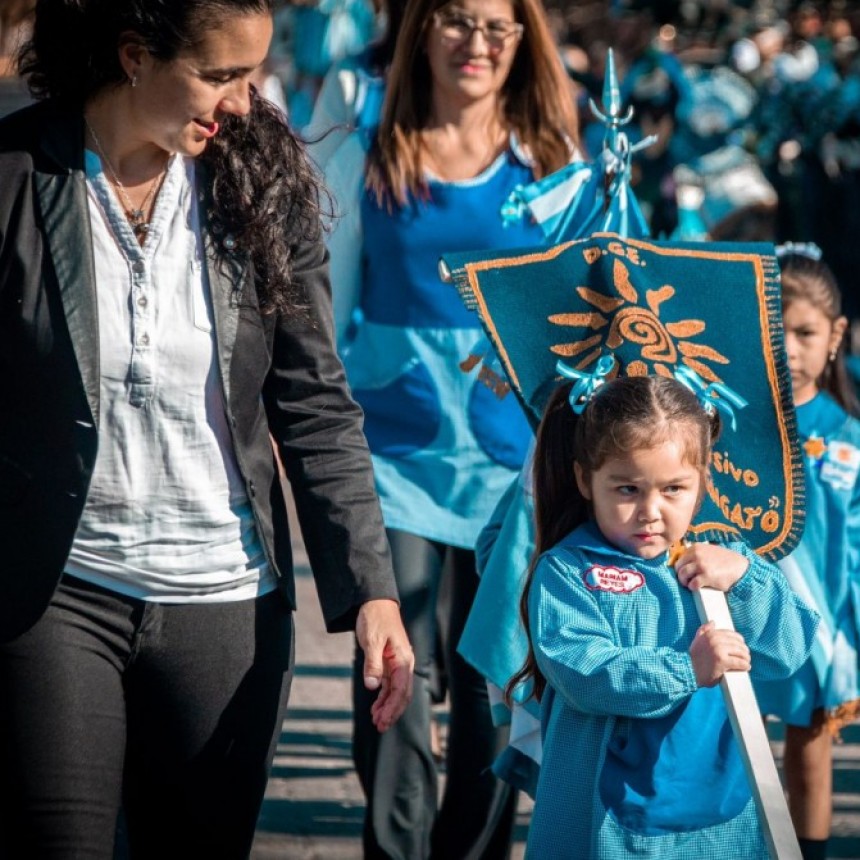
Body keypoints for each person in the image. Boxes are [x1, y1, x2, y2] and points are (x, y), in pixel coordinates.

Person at [0, 1, 414, 857]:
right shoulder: (15, 172)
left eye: (251, 76)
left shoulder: (257, 182)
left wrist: (370, 587)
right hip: (55, 591)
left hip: (225, 600)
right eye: (220, 75)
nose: (242, 101)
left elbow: (315, 402)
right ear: (134, 54)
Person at [320, 0, 580, 854]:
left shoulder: (550, 155)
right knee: (393, 664)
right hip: (391, 456)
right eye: (459, 21)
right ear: (423, 28)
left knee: (493, 678)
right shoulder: (363, 125)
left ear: (522, 40)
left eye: (498, 26)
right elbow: (330, 302)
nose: (477, 43)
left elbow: (582, 316)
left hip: (516, 464)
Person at [510, 373, 819, 859]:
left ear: (702, 483)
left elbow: (790, 648)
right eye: (627, 489)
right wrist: (687, 670)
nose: (651, 511)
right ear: (584, 479)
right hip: (604, 821)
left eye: (674, 488)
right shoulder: (569, 572)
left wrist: (745, 576)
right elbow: (586, 672)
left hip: (718, 815)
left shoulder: (719, 564)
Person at [753, 248, 860, 860]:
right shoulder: (731, 424)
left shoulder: (847, 434)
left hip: (820, 621)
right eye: (775, 330)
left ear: (836, 336)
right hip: (748, 611)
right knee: (735, 749)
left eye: (804, 332)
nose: (789, 347)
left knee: (811, 754)